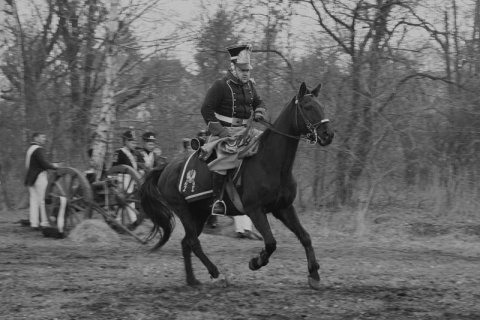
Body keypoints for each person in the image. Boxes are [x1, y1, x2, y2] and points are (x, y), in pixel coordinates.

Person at [200, 44, 267, 216]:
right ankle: (217, 201)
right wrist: (221, 132)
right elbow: (206, 109)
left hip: (246, 132)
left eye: (248, 70)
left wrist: (259, 112)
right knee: (226, 156)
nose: (246, 73)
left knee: (268, 142)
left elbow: (259, 103)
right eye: (242, 69)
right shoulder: (220, 85)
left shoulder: (250, 86)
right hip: (224, 133)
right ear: (233, 67)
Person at [24, 132, 58, 230]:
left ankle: (34, 224)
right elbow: (44, 164)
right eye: (42, 137)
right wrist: (54, 166)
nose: (44, 139)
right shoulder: (38, 149)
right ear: (36, 138)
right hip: (39, 177)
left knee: (34, 201)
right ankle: (44, 223)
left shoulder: (30, 149)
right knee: (43, 200)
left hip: (30, 178)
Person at [112, 129, 139, 230]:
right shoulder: (119, 152)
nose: (134, 144)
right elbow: (113, 167)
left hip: (131, 179)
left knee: (126, 201)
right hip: (121, 179)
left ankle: (118, 222)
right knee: (126, 201)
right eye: (132, 142)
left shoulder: (133, 153)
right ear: (126, 142)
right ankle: (133, 222)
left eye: (135, 142)